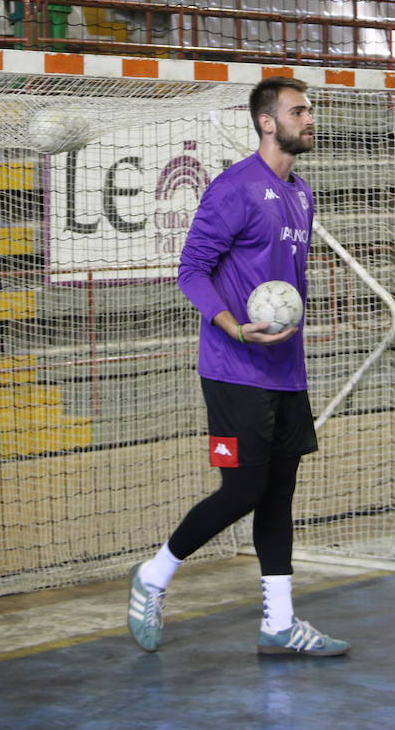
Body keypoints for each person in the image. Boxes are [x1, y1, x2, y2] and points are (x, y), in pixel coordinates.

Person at [126, 76, 350, 657]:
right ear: (266, 122)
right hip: (233, 367)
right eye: (298, 111)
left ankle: (279, 622)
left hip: (286, 372)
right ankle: (153, 576)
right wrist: (232, 326)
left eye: (310, 111)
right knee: (245, 488)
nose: (310, 119)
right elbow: (191, 270)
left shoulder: (302, 194)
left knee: (278, 494)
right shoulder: (235, 189)